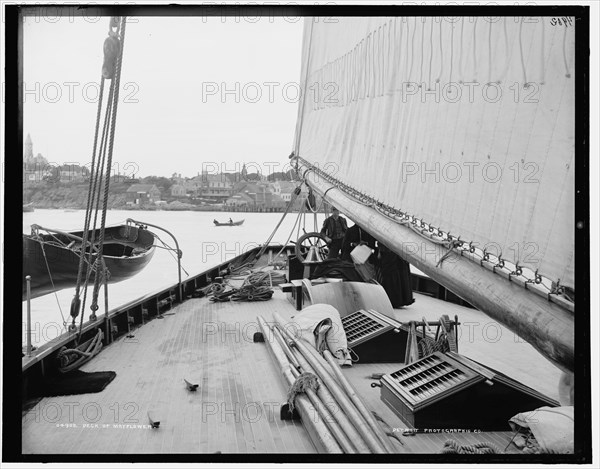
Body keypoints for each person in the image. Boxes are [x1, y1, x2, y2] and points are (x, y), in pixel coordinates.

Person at [375, 243, 415, 308]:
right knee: (398, 273)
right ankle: (399, 299)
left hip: (390, 251)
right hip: (398, 251)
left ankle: (393, 299)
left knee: (390, 273)